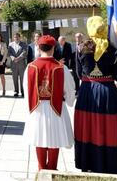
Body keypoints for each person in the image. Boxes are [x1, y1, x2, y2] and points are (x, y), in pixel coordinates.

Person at [74, 16, 117, 174]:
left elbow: (79, 74)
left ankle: (89, 162)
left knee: (89, 126)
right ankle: (109, 163)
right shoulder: (113, 49)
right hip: (107, 91)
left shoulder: (80, 48)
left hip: (87, 92)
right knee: (108, 127)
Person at [23, 35, 75, 171]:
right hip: (56, 108)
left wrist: (28, 107)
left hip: (37, 108)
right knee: (55, 139)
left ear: (39, 48)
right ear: (53, 48)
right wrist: (69, 102)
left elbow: (26, 90)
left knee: (38, 138)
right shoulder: (61, 67)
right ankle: (52, 170)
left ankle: (41, 169)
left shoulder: (30, 66)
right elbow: (70, 88)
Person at [8, 33, 28, 97]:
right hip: (14, 64)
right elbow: (9, 52)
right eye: (15, 37)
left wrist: (18, 58)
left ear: (19, 37)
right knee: (15, 78)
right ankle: (16, 91)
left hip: (21, 64)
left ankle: (23, 91)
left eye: (17, 37)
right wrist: (13, 58)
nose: (16, 38)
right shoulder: (10, 44)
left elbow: (25, 52)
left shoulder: (24, 44)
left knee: (22, 78)